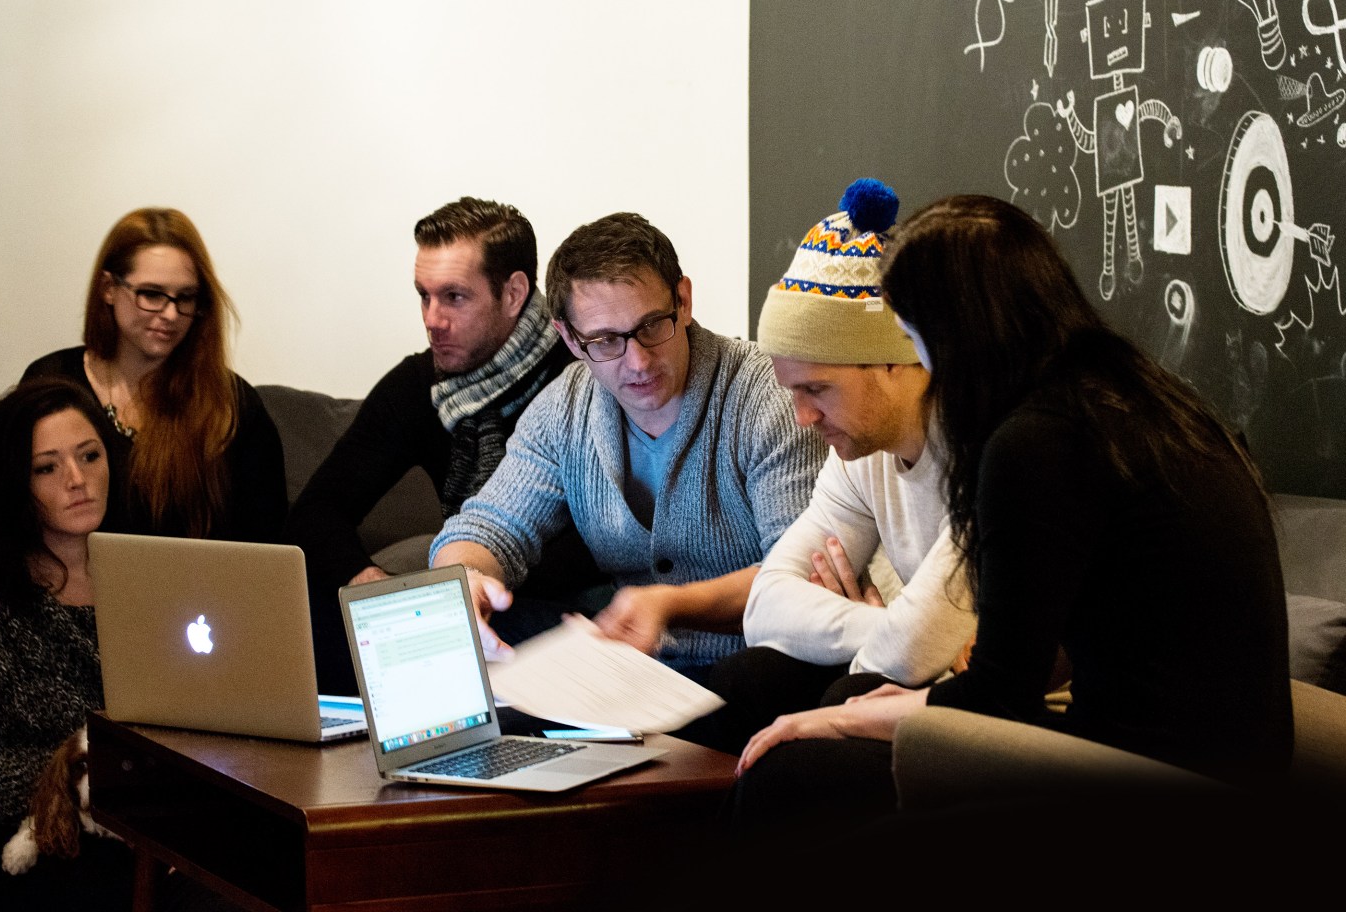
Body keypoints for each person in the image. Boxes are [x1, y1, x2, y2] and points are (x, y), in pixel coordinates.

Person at [728, 194, 1294, 870]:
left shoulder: (1036, 441)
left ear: (954, 331)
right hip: (1225, 771)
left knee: (791, 773)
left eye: (911, 337)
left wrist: (843, 718)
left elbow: (998, 694)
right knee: (828, 716)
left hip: (1142, 788)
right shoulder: (1143, 402)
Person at [430, 211, 827, 680]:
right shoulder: (564, 409)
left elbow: (801, 572)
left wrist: (673, 605)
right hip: (637, 667)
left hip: (758, 661)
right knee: (487, 632)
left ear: (683, 301)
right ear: (569, 338)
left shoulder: (767, 396)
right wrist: (464, 581)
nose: (638, 361)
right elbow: (489, 525)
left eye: (652, 325)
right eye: (604, 340)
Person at [0, 378, 231, 911]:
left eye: (89, 456)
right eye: (47, 468)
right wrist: (70, 771)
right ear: (15, 484)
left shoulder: (156, 580)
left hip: (153, 819)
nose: (77, 480)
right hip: (15, 840)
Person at [696, 179, 976, 754]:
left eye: (817, 389)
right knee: (744, 682)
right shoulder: (862, 453)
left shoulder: (986, 449)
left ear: (895, 360)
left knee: (847, 699)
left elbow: (912, 656)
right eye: (792, 391)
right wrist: (888, 625)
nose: (802, 418)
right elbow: (766, 606)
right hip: (936, 665)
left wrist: (909, 638)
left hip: (1032, 706)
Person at [285, 196, 595, 694]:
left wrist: (463, 589)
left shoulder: (584, 373)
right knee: (313, 615)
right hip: (456, 596)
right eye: (423, 296)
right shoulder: (421, 386)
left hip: (565, 607)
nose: (432, 319)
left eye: (454, 297)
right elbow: (318, 511)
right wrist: (373, 587)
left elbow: (596, 544)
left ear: (514, 293)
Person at [22, 207, 286, 543]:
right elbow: (11, 511)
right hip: (71, 576)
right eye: (151, 294)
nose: (171, 314)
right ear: (108, 288)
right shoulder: (53, 381)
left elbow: (269, 544)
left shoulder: (232, 404)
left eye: (185, 297)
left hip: (202, 578)